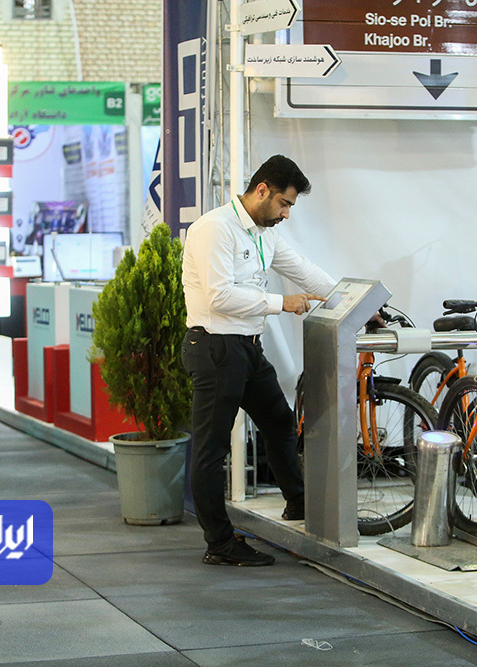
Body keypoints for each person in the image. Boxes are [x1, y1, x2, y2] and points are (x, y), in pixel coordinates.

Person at [181, 155, 335, 566]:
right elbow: (219, 296)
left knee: (279, 420)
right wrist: (281, 302)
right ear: (262, 190)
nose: (286, 214)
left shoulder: (265, 234)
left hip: (247, 347)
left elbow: (303, 270)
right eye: (284, 204)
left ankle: (298, 501)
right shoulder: (214, 228)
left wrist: (350, 300)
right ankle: (220, 544)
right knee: (211, 450)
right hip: (215, 348)